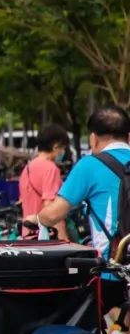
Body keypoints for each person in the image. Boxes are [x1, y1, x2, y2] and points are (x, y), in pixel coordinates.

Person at [38, 106, 130, 311]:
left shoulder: (89, 165)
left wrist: (38, 217)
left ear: (93, 138)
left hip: (111, 272)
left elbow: (54, 214)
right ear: (128, 136)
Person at [19, 125, 70, 240]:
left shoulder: (27, 168)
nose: (63, 152)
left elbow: (23, 202)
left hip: (27, 235)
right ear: (56, 147)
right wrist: (63, 240)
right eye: (63, 148)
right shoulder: (50, 169)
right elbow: (52, 210)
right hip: (46, 237)